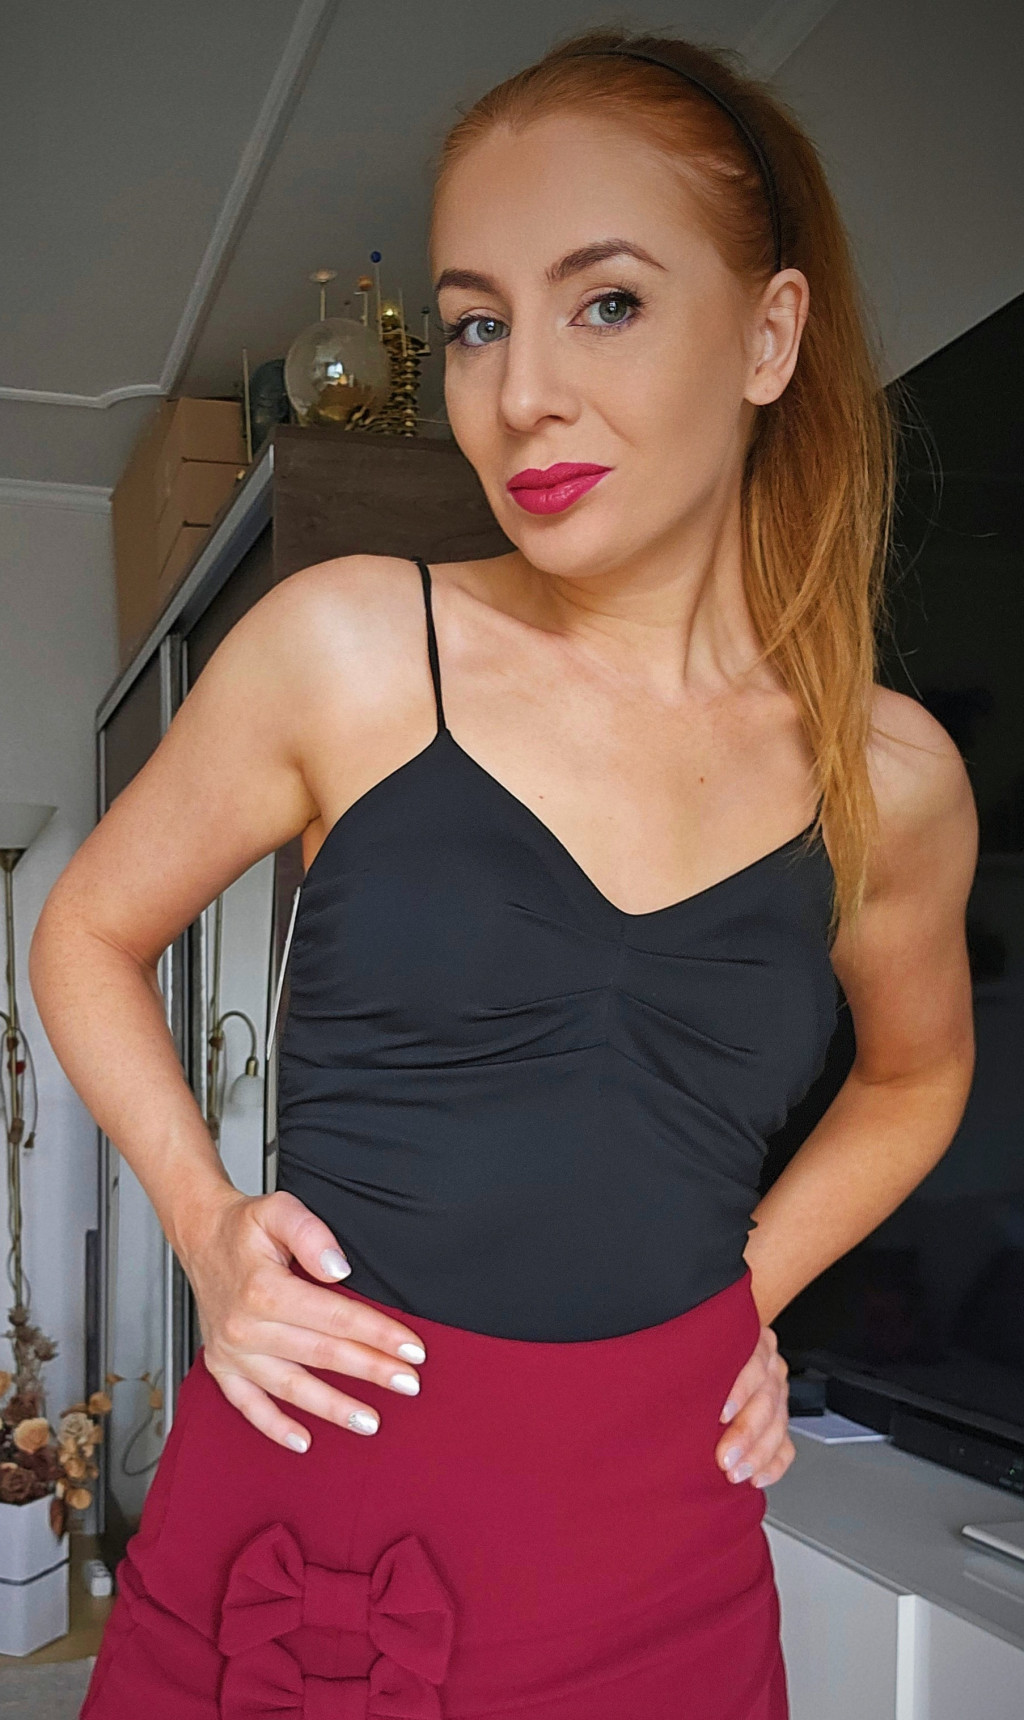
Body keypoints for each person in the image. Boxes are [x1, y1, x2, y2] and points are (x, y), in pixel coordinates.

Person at [31, 27, 976, 1720]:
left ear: (769, 336)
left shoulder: (887, 777)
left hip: (660, 1554)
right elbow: (87, 928)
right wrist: (209, 1227)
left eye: (605, 301)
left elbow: (917, 1075)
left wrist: (740, 1297)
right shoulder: (349, 647)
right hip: (320, 1523)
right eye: (477, 323)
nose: (521, 390)